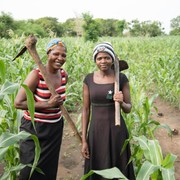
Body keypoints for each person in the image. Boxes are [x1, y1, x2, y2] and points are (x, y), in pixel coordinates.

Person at [14, 38, 68, 180]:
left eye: (63, 55)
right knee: (28, 171)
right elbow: (18, 103)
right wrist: (48, 104)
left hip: (55, 128)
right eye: (56, 54)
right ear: (48, 54)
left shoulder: (63, 75)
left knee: (49, 170)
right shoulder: (36, 75)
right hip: (34, 129)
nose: (60, 58)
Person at [81, 42, 135, 180]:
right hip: (96, 132)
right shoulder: (88, 79)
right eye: (99, 58)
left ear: (112, 59)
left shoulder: (121, 79)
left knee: (118, 165)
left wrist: (122, 102)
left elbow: (129, 108)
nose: (103, 61)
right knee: (97, 165)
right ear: (95, 60)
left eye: (107, 58)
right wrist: (84, 140)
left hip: (116, 131)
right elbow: (86, 109)